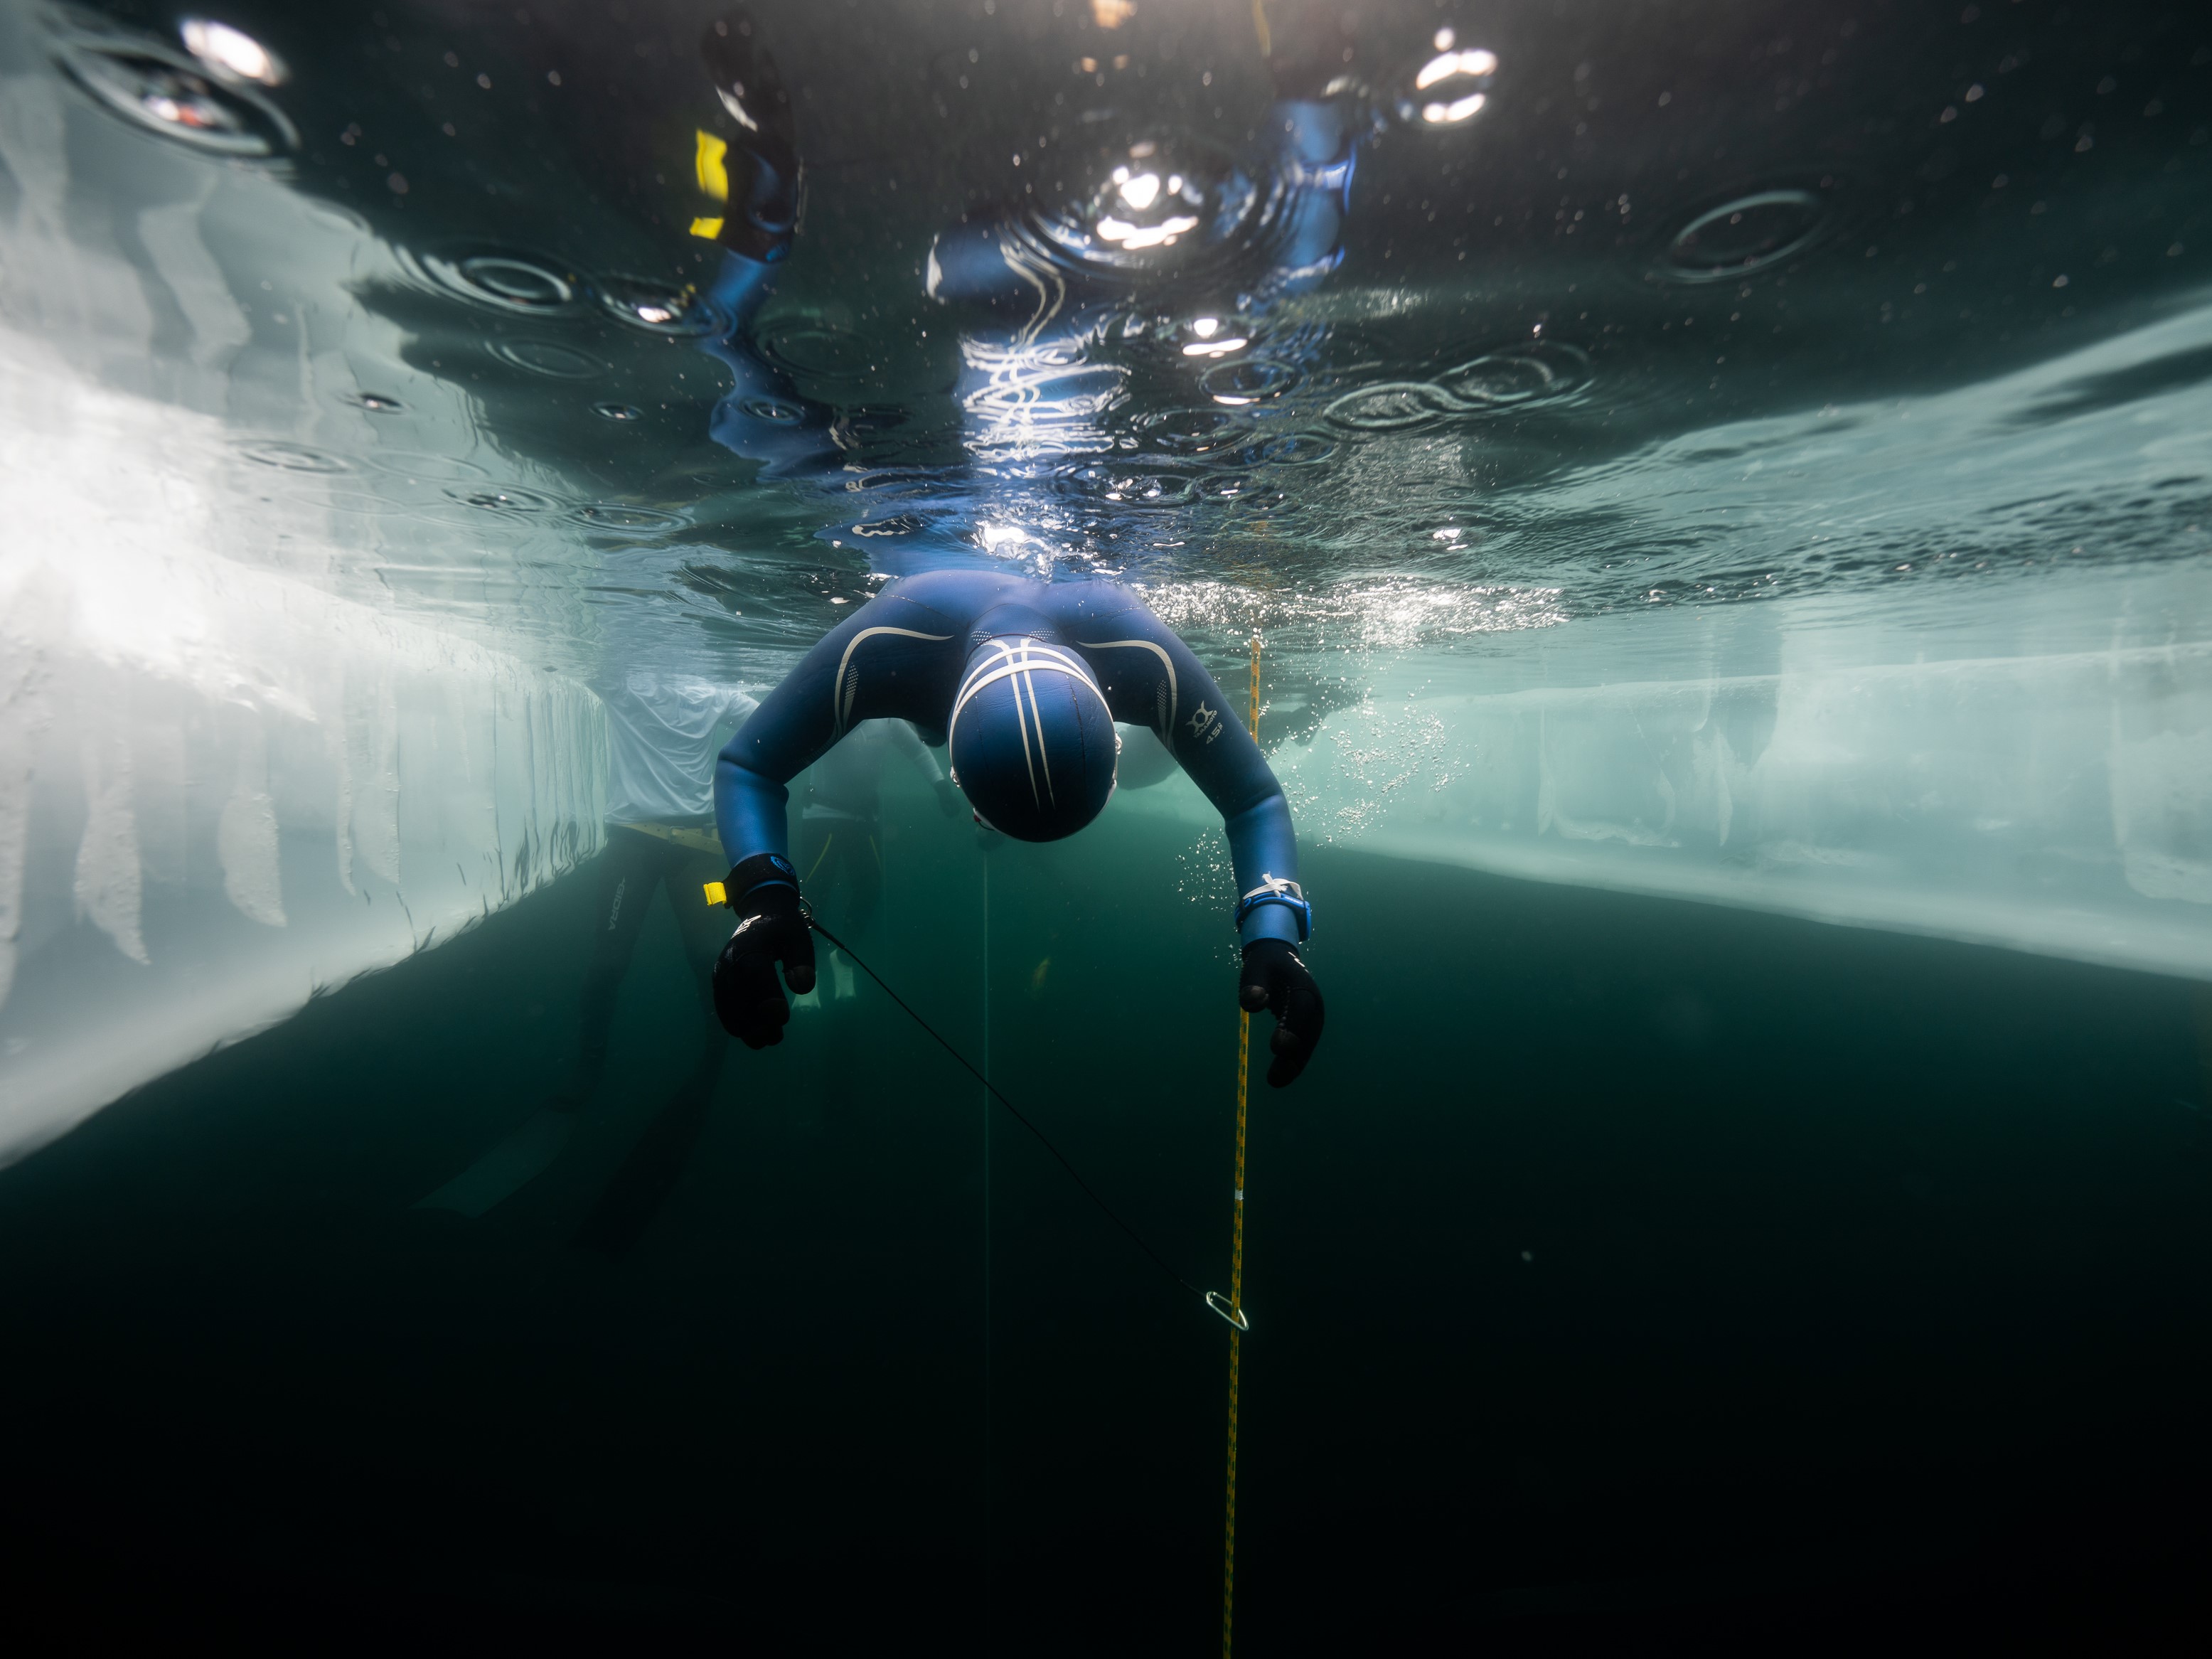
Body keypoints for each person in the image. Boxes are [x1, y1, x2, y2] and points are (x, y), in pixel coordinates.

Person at [709, 570, 1326, 1086]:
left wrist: (765, 896)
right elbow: (1250, 798)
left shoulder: (1135, 650)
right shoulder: (891, 639)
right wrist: (1272, 932)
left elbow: (751, 765)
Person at [420, 668, 757, 1219]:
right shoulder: (625, 680)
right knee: (608, 964)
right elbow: (552, 674)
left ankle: (713, 1053)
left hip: (700, 845)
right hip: (634, 840)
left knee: (708, 957)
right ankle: (588, 1065)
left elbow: (768, 721)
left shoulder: (710, 690)